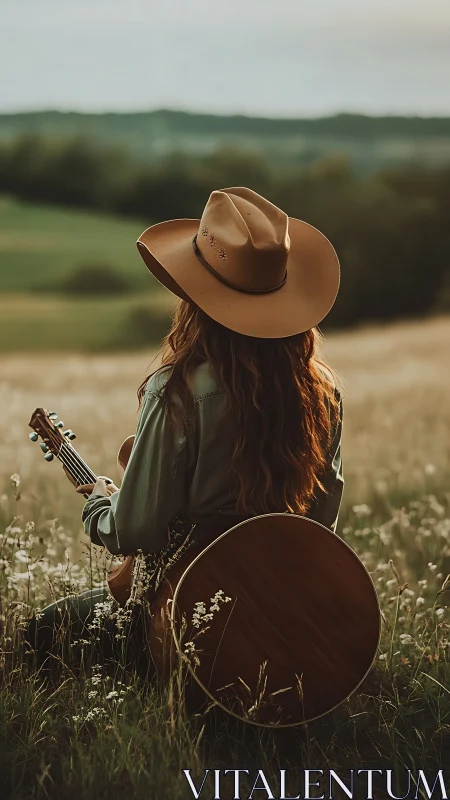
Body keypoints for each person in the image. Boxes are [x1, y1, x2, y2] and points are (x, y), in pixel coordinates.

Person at [26, 186, 344, 675]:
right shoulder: (321, 391)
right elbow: (320, 520)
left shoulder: (175, 391)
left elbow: (136, 529)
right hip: (286, 615)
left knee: (38, 634)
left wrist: (100, 508)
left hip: (188, 616)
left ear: (194, 297)